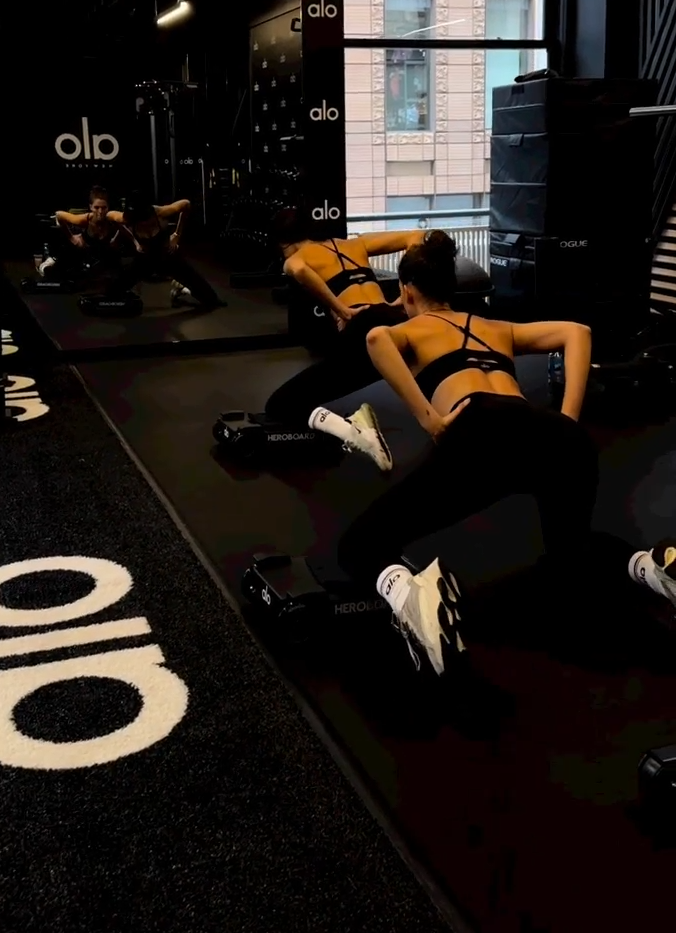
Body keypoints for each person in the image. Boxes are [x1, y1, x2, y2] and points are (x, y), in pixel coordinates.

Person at [313, 230, 599, 678]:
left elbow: (377, 341)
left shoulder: (412, 328)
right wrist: (569, 421)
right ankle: (652, 568)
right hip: (557, 437)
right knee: (569, 558)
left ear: (408, 291)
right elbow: (577, 332)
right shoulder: (496, 327)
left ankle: (416, 601)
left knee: (358, 547)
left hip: (482, 429)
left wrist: (429, 419)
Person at [264, 207, 429, 469]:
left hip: (363, 330)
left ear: (284, 243)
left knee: (279, 404)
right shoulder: (355, 244)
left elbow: (298, 270)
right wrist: (405, 290)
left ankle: (356, 431)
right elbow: (416, 236)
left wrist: (342, 309)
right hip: (393, 322)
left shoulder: (297, 256)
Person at [109, 193, 225, 312]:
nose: (143, 223)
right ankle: (109, 299)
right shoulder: (127, 218)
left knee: (197, 283)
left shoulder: (160, 212)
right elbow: (110, 216)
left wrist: (177, 234)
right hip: (145, 258)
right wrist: (134, 241)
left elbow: (186, 204)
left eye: (144, 219)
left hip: (166, 255)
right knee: (117, 287)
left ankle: (211, 299)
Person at [37, 186, 123, 280]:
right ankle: (47, 263)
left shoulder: (110, 218)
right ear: (90, 207)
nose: (100, 211)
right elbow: (59, 215)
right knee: (57, 272)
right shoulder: (86, 218)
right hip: (83, 251)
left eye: (104, 208)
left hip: (101, 254)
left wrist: (117, 239)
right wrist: (72, 238)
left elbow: (124, 223)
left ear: (108, 207)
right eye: (96, 207)